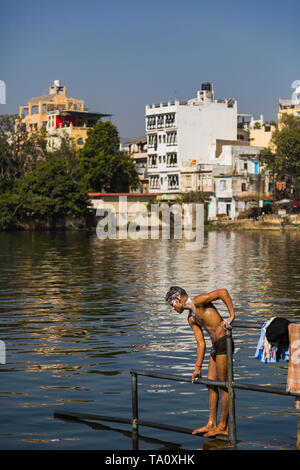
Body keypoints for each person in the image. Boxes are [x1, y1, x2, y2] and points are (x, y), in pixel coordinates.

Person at [165, 286, 235, 437]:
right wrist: (197, 368)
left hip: (224, 342)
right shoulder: (191, 318)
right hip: (215, 346)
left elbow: (222, 292)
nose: (173, 309)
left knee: (224, 386)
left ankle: (223, 426)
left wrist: (231, 315)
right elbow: (200, 343)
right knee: (210, 384)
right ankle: (211, 423)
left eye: (172, 305)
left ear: (178, 299)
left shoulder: (198, 301)